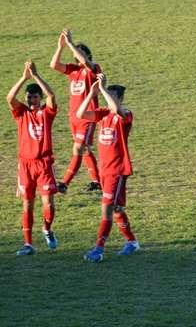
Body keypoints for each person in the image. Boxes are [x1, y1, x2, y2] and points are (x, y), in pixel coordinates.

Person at [78, 74, 140, 262]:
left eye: (112, 96)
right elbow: (81, 114)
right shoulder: (103, 113)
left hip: (117, 170)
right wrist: (92, 93)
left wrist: (103, 89)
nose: (107, 98)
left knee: (107, 208)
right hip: (104, 170)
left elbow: (116, 109)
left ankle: (98, 249)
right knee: (117, 208)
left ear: (120, 98)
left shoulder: (125, 114)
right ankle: (132, 242)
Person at [7, 61, 58, 256]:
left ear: (39, 98)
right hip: (25, 165)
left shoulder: (47, 113)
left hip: (44, 164)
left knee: (48, 204)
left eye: (35, 96)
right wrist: (24, 77)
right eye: (29, 96)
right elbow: (9, 97)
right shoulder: (21, 113)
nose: (31, 99)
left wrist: (36, 76)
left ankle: (47, 229)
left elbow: (51, 96)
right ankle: (28, 244)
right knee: (27, 204)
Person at [50, 28, 102, 194]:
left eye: (79, 53)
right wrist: (61, 47)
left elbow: (85, 61)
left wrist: (71, 43)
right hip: (73, 117)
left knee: (78, 148)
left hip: (87, 116)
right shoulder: (74, 70)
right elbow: (54, 65)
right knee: (84, 149)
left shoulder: (94, 69)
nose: (76, 56)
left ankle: (64, 183)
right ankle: (97, 181)